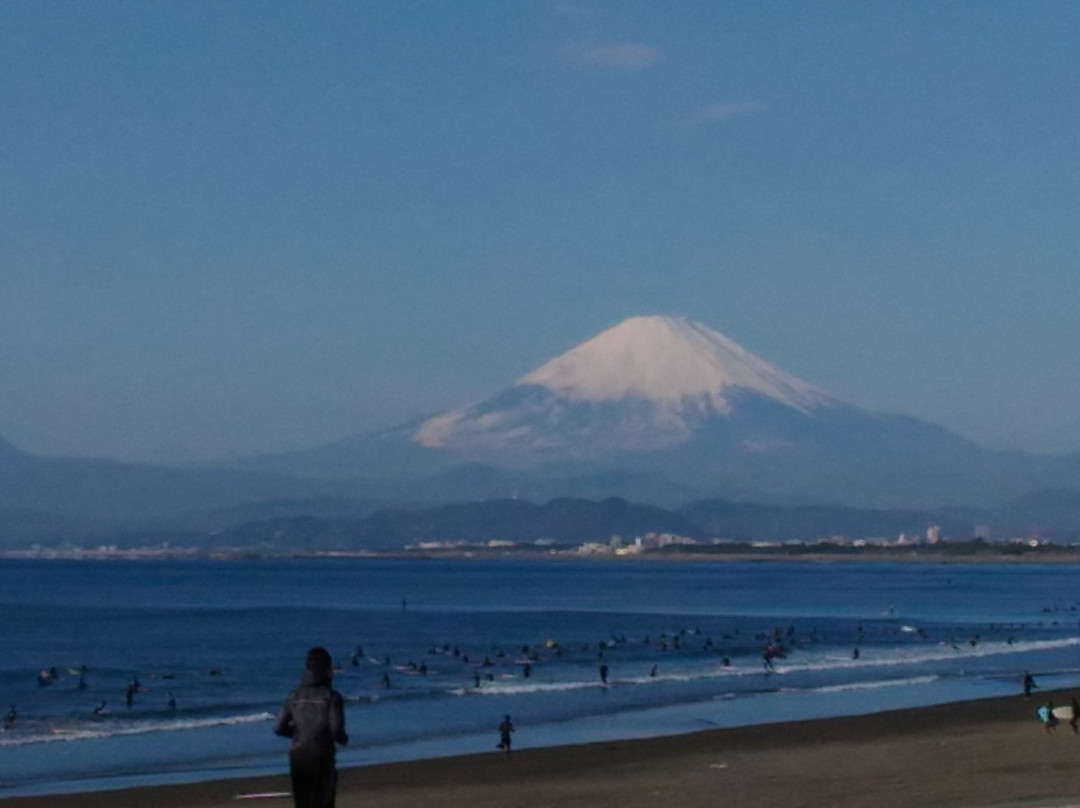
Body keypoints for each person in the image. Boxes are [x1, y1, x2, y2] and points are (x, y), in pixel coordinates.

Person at [275, 647, 349, 808]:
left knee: (302, 801)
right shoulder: (332, 696)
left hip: (299, 754)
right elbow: (336, 729)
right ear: (327, 669)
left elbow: (278, 728)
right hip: (322, 754)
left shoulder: (294, 695)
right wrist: (343, 739)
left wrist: (299, 734)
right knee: (324, 801)